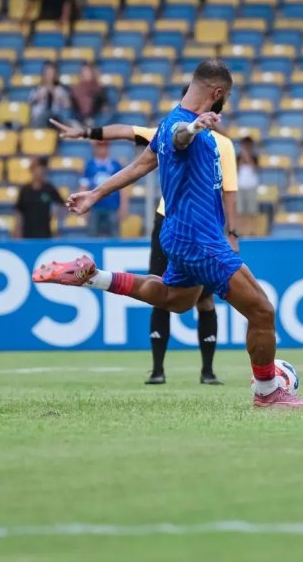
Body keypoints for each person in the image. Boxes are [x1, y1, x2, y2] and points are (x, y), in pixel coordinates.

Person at [33, 58, 303, 409]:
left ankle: (93, 277)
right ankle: (268, 392)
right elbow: (182, 137)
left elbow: (139, 165)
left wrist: (95, 194)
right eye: (225, 98)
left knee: (176, 299)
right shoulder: (182, 127)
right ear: (217, 93)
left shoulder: (166, 123)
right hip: (199, 238)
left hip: (177, 234)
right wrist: (194, 128)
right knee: (262, 311)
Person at [51, 102, 239, 386]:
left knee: (178, 295)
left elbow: (127, 132)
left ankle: (192, 371)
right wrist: (86, 133)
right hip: (190, 227)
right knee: (182, 295)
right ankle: (173, 371)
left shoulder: (199, 138)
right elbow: (127, 132)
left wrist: (87, 132)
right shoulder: (182, 133)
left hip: (182, 226)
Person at [81, 140, 127, 237]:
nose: (102, 149)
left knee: (114, 236)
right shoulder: (89, 166)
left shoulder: (115, 165)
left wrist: (123, 207)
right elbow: (84, 186)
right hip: (94, 207)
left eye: (104, 146)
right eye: (99, 146)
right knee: (93, 235)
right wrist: (84, 207)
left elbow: (122, 188)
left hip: (112, 207)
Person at [15, 158, 65, 239]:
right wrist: (17, 231)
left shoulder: (49, 189)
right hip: (27, 234)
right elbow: (19, 212)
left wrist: (57, 224)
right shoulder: (25, 190)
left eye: (43, 169)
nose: (40, 172)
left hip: (45, 233)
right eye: (38, 168)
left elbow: (62, 205)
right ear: (32, 170)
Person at [29, 61, 73, 128]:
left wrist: (60, 99)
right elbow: (30, 103)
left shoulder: (60, 90)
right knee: (45, 115)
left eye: (51, 73)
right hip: (39, 119)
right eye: (47, 73)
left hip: (56, 118)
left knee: (61, 117)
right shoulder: (37, 89)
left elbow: (68, 105)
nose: (49, 76)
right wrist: (39, 97)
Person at [236, 136, 260, 237]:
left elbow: (255, 170)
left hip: (251, 186)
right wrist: (242, 158)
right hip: (240, 186)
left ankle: (252, 231)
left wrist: (248, 158)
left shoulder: (255, 157)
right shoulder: (238, 157)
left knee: (252, 211)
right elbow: (236, 170)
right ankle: (241, 231)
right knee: (240, 211)